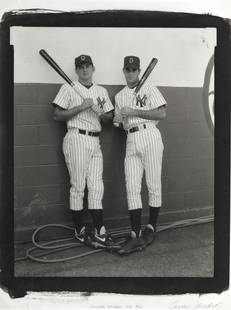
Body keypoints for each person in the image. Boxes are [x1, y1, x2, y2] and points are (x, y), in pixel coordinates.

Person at [52, 54, 114, 248]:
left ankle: (99, 230)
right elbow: (57, 115)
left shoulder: (101, 91)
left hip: (95, 140)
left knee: (96, 186)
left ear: (93, 68)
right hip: (76, 138)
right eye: (81, 67)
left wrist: (101, 113)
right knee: (78, 186)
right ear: (77, 70)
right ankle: (79, 230)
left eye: (87, 66)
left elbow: (110, 118)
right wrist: (81, 107)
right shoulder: (68, 88)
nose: (84, 69)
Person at [114, 56, 167, 254]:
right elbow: (119, 123)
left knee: (153, 184)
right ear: (124, 71)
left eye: (134, 69)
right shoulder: (119, 97)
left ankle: (152, 227)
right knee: (132, 187)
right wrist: (120, 120)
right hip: (131, 139)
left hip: (149, 135)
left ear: (139, 71)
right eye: (127, 69)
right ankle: (135, 233)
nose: (130, 73)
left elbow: (162, 113)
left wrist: (134, 111)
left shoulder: (149, 88)